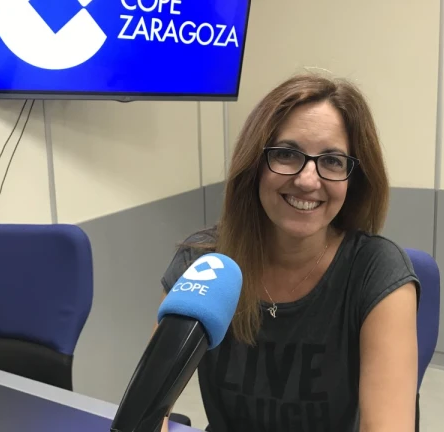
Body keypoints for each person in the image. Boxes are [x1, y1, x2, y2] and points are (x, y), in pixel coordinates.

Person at [158, 73, 420, 432]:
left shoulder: (377, 271)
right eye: (286, 154)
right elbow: (150, 408)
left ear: (352, 179)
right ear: (255, 165)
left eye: (332, 161)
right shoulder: (202, 264)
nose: (308, 180)